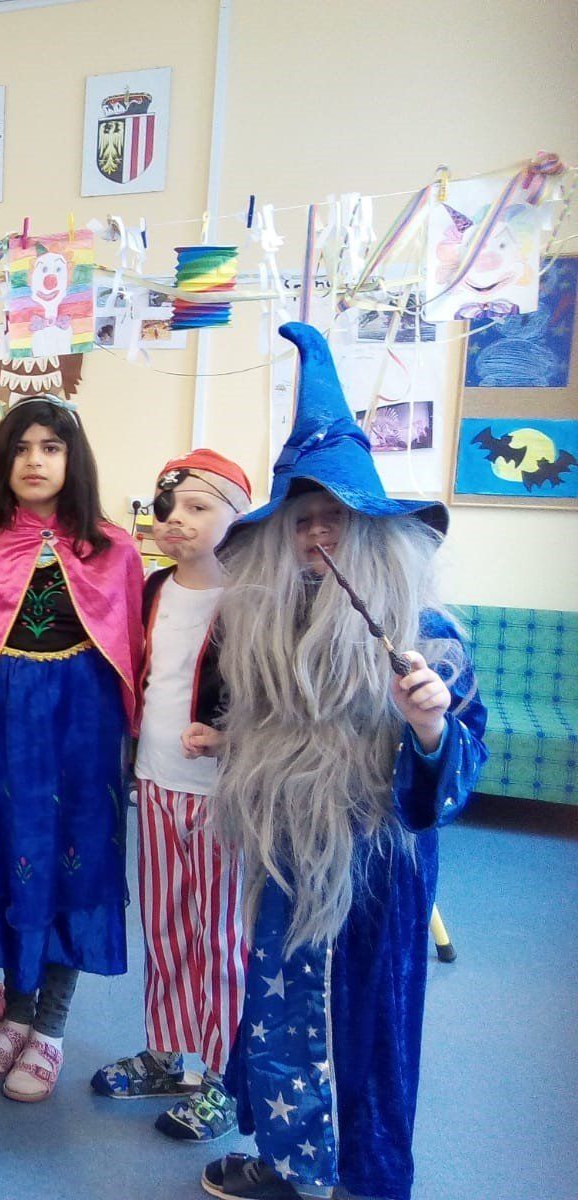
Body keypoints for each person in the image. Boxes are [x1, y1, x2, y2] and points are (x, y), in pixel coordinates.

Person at [199, 324, 486, 1200]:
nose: (318, 530)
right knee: (280, 1011)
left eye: (337, 514)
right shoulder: (262, 624)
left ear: (370, 528)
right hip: (284, 856)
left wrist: (430, 728)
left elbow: (450, 782)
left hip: (373, 873)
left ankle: (358, 1176)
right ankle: (289, 1159)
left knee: (361, 1027)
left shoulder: (428, 635)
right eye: (302, 517)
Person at [0, 395, 143, 1102]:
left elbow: (129, 649)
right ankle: (17, 1009)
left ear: (72, 459)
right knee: (9, 858)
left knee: (72, 864)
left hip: (81, 726)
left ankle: (50, 1025)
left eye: (51, 448)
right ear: (4, 461)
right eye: (22, 448)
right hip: (0, 723)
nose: (35, 461)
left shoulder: (114, 548)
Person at [91, 449, 253, 1143]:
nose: (177, 519)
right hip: (155, 788)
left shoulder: (252, 600)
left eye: (198, 507)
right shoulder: (153, 589)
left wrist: (230, 736)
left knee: (218, 938)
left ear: (238, 518)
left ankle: (224, 1076)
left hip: (222, 798)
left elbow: (279, 702)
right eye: (168, 506)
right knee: (164, 928)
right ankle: (167, 1053)